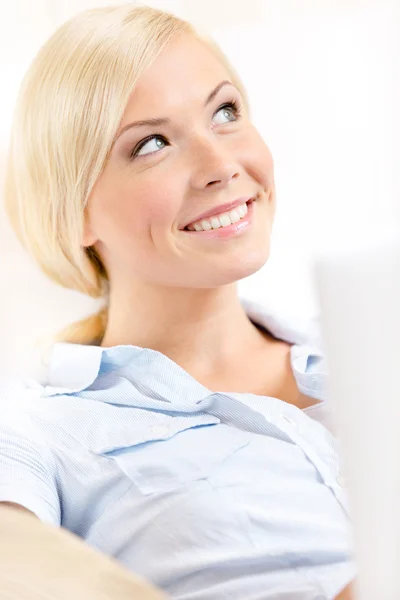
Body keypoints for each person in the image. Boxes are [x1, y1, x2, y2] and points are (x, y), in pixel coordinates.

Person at [1, 3, 355, 599]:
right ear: (75, 210)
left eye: (225, 112)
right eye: (151, 144)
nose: (221, 166)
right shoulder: (39, 429)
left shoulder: (369, 345)